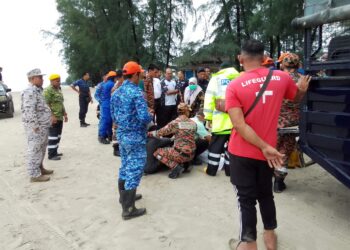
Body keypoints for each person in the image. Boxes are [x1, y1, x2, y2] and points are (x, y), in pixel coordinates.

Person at [225, 40, 311, 250]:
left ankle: (249, 244)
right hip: (269, 154)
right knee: (265, 195)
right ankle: (270, 239)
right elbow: (296, 98)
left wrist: (263, 146)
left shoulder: (234, 85)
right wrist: (302, 89)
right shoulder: (280, 77)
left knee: (246, 200)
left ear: (241, 58)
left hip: (243, 152)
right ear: (264, 58)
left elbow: (239, 124)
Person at [111, 61, 152, 220]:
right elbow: (143, 117)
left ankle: (124, 197)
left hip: (122, 135)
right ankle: (128, 209)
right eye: (140, 73)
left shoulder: (117, 92)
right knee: (135, 168)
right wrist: (149, 114)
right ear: (135, 75)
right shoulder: (136, 93)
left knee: (126, 165)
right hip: (135, 136)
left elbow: (114, 117)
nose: (142, 75)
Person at [203, 62, 240, 176]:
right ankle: (229, 171)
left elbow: (209, 98)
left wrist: (208, 117)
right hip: (237, 121)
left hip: (220, 122)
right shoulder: (240, 78)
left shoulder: (216, 79)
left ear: (221, 69)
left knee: (215, 147)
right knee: (232, 147)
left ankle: (211, 170)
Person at [274, 52, 303, 192]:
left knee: (271, 149)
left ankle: (265, 178)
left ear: (282, 64)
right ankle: (278, 182)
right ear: (298, 65)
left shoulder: (275, 78)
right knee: (285, 150)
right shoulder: (303, 79)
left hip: (275, 121)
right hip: (294, 122)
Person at [21, 68, 54, 182]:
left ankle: (40, 168)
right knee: (35, 149)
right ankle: (34, 175)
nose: (42, 79)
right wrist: (35, 126)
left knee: (42, 148)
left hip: (43, 126)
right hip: (36, 127)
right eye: (39, 77)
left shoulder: (38, 90)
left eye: (42, 77)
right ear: (32, 79)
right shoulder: (29, 91)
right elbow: (29, 110)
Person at [149, 103, 197, 179]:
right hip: (192, 154)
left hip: (180, 155)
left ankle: (175, 167)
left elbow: (159, 133)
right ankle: (186, 164)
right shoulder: (194, 124)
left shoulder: (175, 123)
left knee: (157, 152)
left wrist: (149, 133)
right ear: (187, 112)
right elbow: (187, 135)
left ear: (178, 111)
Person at [43, 74, 68, 161]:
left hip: (59, 116)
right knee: (53, 136)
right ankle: (51, 154)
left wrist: (64, 113)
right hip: (53, 117)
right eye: (57, 81)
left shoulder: (58, 90)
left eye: (59, 81)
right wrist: (52, 116)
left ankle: (55, 151)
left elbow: (60, 103)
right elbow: (46, 104)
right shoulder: (48, 90)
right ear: (52, 81)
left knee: (58, 135)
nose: (59, 82)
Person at [97, 70, 117, 144]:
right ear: (114, 78)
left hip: (105, 103)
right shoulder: (112, 84)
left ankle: (108, 135)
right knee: (106, 121)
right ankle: (102, 137)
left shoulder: (106, 84)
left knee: (108, 120)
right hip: (107, 104)